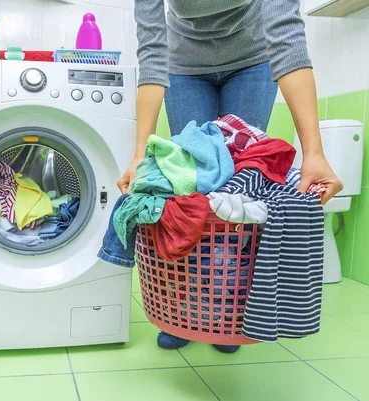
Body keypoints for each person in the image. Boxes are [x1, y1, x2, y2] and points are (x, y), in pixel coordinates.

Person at [118, 0, 343, 354]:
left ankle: (227, 314)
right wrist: (138, 157)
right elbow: (152, 50)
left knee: (238, 193)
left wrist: (313, 153)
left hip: (253, 58)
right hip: (183, 65)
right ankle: (185, 311)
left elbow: (286, 34)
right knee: (191, 184)